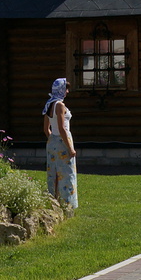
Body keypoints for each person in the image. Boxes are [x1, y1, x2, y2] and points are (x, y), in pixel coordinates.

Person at [42, 77, 78, 208]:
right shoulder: (60, 105)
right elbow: (62, 127)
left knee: (54, 172)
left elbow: (46, 129)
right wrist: (70, 148)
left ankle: (53, 201)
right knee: (66, 173)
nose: (67, 91)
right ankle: (67, 204)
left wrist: (53, 139)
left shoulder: (49, 104)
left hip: (52, 142)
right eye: (66, 88)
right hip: (62, 141)